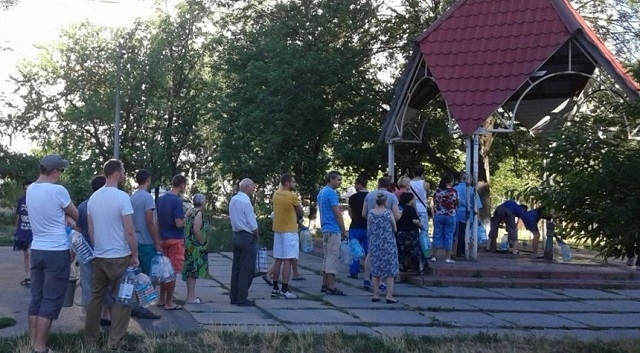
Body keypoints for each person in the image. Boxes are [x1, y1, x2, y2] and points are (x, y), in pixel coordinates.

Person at [84, 159, 139, 351]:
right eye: (123, 171)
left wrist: (98, 248)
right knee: (122, 299)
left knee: (96, 297)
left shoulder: (94, 198)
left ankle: (91, 339)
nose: (124, 175)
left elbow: (91, 230)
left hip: (99, 255)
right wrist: (135, 254)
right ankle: (115, 342)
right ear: (117, 173)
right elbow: (129, 230)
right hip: (119, 256)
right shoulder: (122, 197)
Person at [26, 154, 79, 353]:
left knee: (36, 297)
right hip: (56, 250)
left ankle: (32, 343)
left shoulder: (30, 189)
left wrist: (60, 215)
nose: (61, 175)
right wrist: (65, 216)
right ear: (55, 171)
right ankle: (40, 347)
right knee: (51, 299)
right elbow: (76, 214)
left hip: (37, 248)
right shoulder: (58, 191)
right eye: (61, 171)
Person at [76, 175, 114, 326]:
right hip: (104, 250)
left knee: (87, 283)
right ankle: (106, 314)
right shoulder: (108, 205)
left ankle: (89, 317)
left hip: (85, 251)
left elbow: (77, 230)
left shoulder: (83, 206)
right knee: (106, 283)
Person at [129, 169, 163, 318]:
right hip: (146, 241)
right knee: (151, 275)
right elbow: (150, 221)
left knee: (138, 275)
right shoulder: (147, 198)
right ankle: (144, 306)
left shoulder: (132, 197)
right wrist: (157, 242)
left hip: (134, 240)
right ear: (148, 180)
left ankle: (137, 305)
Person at [361, 177, 401, 291]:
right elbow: (397, 216)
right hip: (386, 232)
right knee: (386, 258)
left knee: (371, 255)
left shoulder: (369, 195)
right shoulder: (392, 197)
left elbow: (364, 213)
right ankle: (382, 282)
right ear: (389, 185)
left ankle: (366, 279)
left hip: (372, 230)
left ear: (378, 184)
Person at [156, 174, 187, 311]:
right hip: (175, 239)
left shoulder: (160, 200)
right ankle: (169, 302)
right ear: (182, 185)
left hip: (163, 239)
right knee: (173, 271)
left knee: (164, 271)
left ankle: (161, 299)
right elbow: (179, 223)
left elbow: (157, 222)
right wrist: (187, 216)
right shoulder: (177, 201)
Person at [271, 173, 303, 299]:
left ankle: (275, 288)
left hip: (278, 229)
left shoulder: (276, 194)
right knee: (288, 260)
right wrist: (298, 216)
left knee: (278, 259)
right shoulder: (292, 196)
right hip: (289, 230)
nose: (294, 184)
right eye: (293, 182)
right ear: (287, 183)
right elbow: (300, 210)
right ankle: (285, 289)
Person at [229, 178, 259, 306]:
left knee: (236, 267)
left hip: (236, 235)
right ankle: (242, 298)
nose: (253, 190)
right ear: (247, 187)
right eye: (252, 187)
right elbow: (252, 223)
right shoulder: (246, 202)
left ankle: (234, 296)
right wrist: (257, 235)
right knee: (246, 269)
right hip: (247, 236)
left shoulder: (233, 200)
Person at [317, 171, 347, 295]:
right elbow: (337, 214)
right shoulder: (331, 193)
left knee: (326, 257)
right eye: (338, 180)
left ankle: (324, 284)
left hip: (325, 228)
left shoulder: (322, 192)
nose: (340, 182)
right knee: (332, 258)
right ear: (331, 179)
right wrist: (344, 230)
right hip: (333, 229)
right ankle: (331, 286)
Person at [367, 192, 399, 304]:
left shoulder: (370, 213)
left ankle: (375, 294)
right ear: (385, 202)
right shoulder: (388, 213)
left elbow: (369, 228)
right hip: (388, 244)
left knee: (376, 270)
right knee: (390, 271)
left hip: (375, 244)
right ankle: (389, 295)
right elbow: (394, 228)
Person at [182, 193, 209, 303]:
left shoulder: (190, 211)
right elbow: (196, 229)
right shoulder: (199, 213)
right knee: (193, 272)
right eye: (205, 201)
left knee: (190, 271)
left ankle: (190, 296)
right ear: (202, 202)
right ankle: (191, 297)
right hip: (196, 247)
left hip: (189, 245)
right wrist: (202, 242)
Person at [452, 172, 483, 258]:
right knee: (465, 234)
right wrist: (478, 217)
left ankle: (453, 252)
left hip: (456, 214)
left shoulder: (455, 189)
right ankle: (463, 252)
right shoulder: (473, 190)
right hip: (469, 216)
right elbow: (477, 205)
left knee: (455, 234)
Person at [431, 173, 458, 263]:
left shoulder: (438, 191)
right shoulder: (454, 191)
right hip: (450, 215)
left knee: (437, 235)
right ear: (451, 181)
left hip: (439, 214)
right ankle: (448, 257)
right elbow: (457, 203)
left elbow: (434, 202)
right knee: (449, 236)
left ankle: (434, 256)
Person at [396, 192, 426, 275]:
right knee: (415, 251)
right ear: (410, 200)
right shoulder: (411, 209)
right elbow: (415, 221)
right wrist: (422, 226)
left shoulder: (399, 208)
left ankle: (402, 267)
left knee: (401, 251)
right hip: (411, 233)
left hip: (400, 232)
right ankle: (418, 268)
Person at [347, 176, 368, 279]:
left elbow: (350, 212)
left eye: (356, 184)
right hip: (368, 226)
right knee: (369, 251)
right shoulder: (370, 197)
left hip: (355, 226)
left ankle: (354, 271)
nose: (355, 186)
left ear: (360, 184)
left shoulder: (353, 198)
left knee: (355, 250)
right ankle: (371, 272)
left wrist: (353, 218)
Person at [14, 180, 33, 286]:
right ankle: (28, 276)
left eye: (29, 189)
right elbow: (18, 216)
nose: (27, 191)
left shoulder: (37, 200)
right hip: (23, 231)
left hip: (33, 231)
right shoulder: (21, 201)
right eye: (25, 189)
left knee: (30, 253)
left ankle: (33, 277)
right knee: (26, 254)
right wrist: (16, 230)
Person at [409, 166, 431, 240]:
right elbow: (427, 195)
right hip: (422, 208)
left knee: (412, 228)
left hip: (412, 208)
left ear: (413, 173)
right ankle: (424, 247)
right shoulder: (426, 184)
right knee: (424, 230)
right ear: (422, 174)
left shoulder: (409, 183)